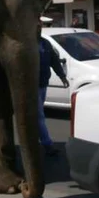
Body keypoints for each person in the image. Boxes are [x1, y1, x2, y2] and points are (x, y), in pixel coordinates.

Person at [37, 17, 69, 156]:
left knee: (36, 117)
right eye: (36, 26)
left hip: (43, 84)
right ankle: (47, 144)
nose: (38, 29)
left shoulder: (45, 43)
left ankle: (34, 139)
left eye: (40, 27)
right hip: (31, 87)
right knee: (39, 116)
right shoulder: (28, 45)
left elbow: (54, 61)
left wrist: (62, 76)